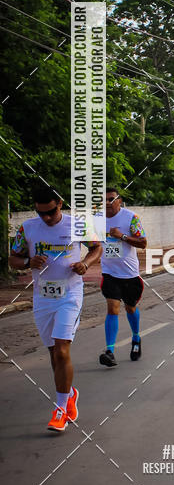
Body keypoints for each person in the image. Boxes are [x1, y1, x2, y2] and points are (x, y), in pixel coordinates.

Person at [9, 184, 102, 432]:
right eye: (41, 213)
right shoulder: (27, 228)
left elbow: (96, 248)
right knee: (53, 354)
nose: (46, 218)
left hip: (70, 294)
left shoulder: (77, 224)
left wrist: (85, 263)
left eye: (50, 212)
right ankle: (69, 394)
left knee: (62, 350)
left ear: (60, 203)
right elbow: (12, 258)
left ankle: (60, 410)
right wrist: (28, 261)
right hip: (42, 297)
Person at [97, 188, 148, 367]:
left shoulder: (131, 218)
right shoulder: (97, 219)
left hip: (130, 274)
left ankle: (136, 338)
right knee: (113, 308)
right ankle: (109, 351)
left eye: (111, 199)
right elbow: (92, 244)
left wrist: (122, 236)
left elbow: (143, 243)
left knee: (130, 308)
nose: (108, 203)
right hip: (109, 274)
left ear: (120, 200)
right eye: (104, 200)